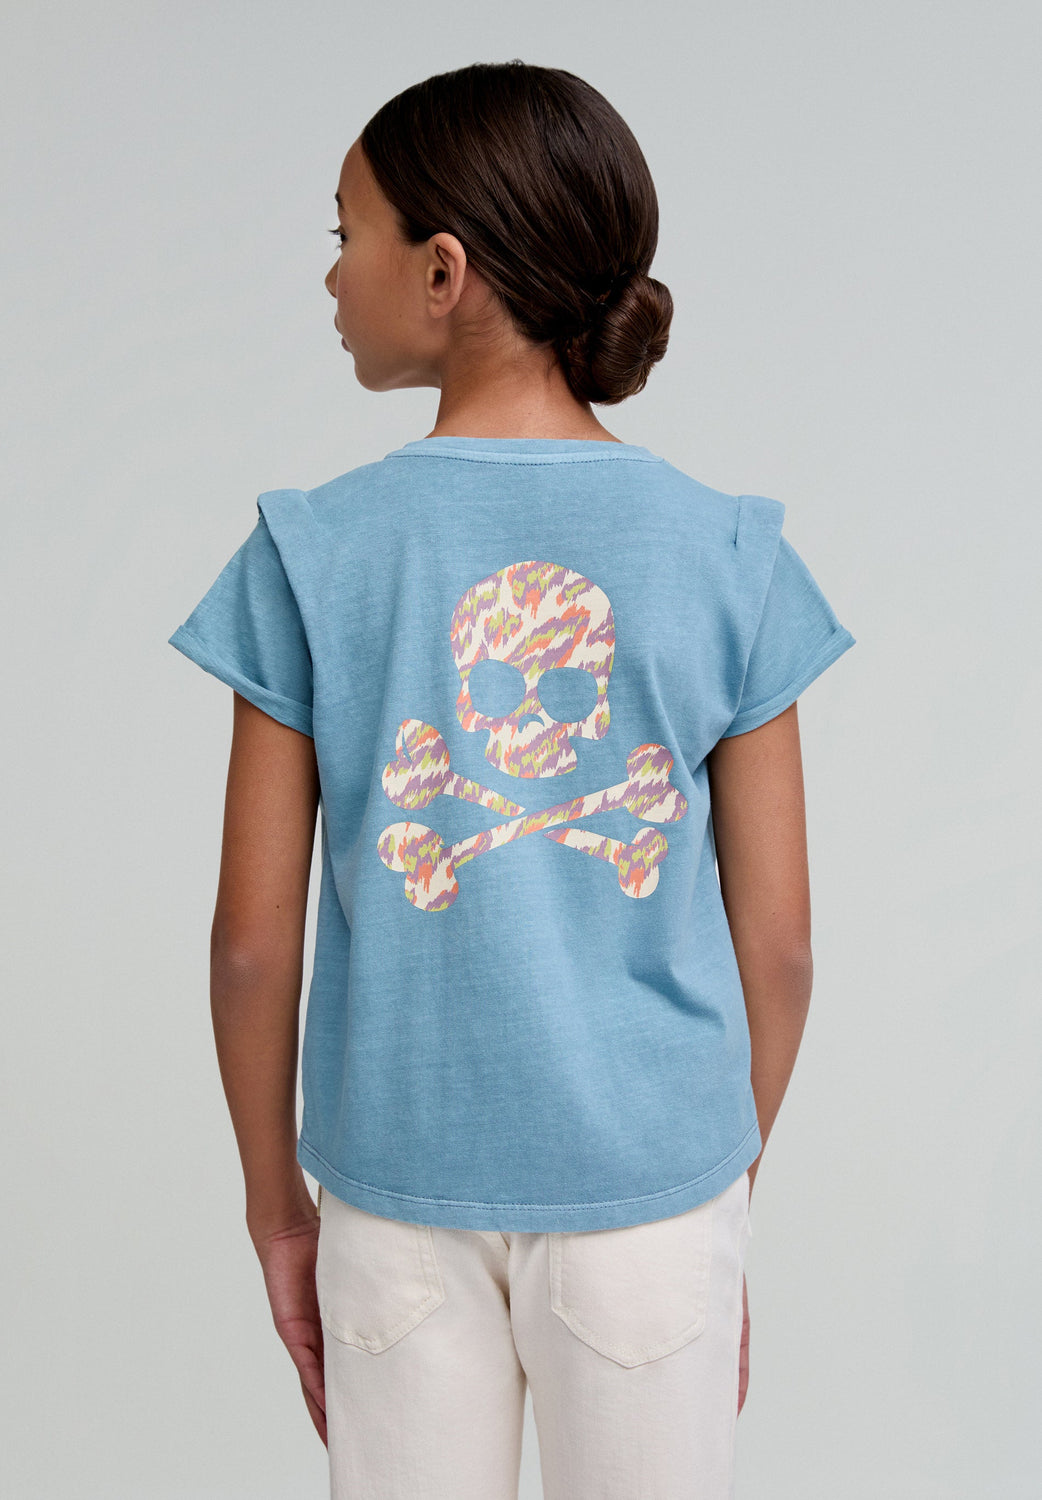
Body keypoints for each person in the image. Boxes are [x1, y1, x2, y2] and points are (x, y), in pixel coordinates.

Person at [168, 60, 856, 1500]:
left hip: (394, 1198)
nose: (328, 273)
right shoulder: (729, 551)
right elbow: (782, 945)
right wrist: (713, 1195)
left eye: (344, 231)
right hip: (651, 1190)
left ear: (441, 271)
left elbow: (248, 947)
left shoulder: (311, 553)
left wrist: (276, 1213)